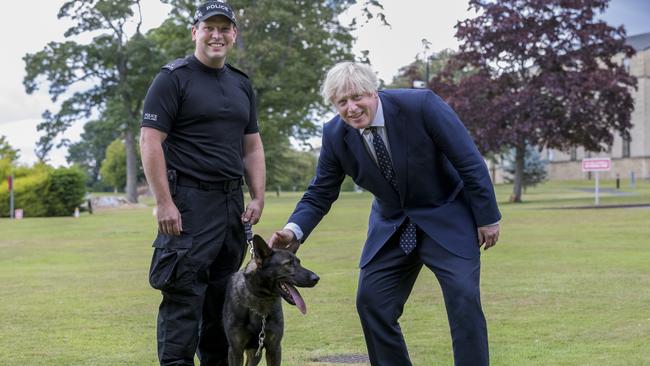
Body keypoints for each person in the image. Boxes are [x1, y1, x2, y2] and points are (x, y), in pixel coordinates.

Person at [269, 62, 500, 366]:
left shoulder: (422, 106)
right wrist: (293, 231)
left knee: (463, 299)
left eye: (357, 97)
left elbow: (469, 161)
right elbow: (320, 192)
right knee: (372, 302)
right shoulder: (335, 135)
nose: (351, 108)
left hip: (446, 215)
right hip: (392, 225)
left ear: (373, 91)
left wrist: (487, 217)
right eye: (342, 102)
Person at [140, 2, 265, 365]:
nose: (217, 35)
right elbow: (150, 141)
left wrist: (257, 196)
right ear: (195, 32)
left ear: (234, 35)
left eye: (224, 28)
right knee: (183, 301)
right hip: (188, 205)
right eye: (209, 27)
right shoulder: (173, 78)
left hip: (231, 206)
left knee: (222, 303)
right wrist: (164, 202)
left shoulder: (241, 83)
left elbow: (252, 146)